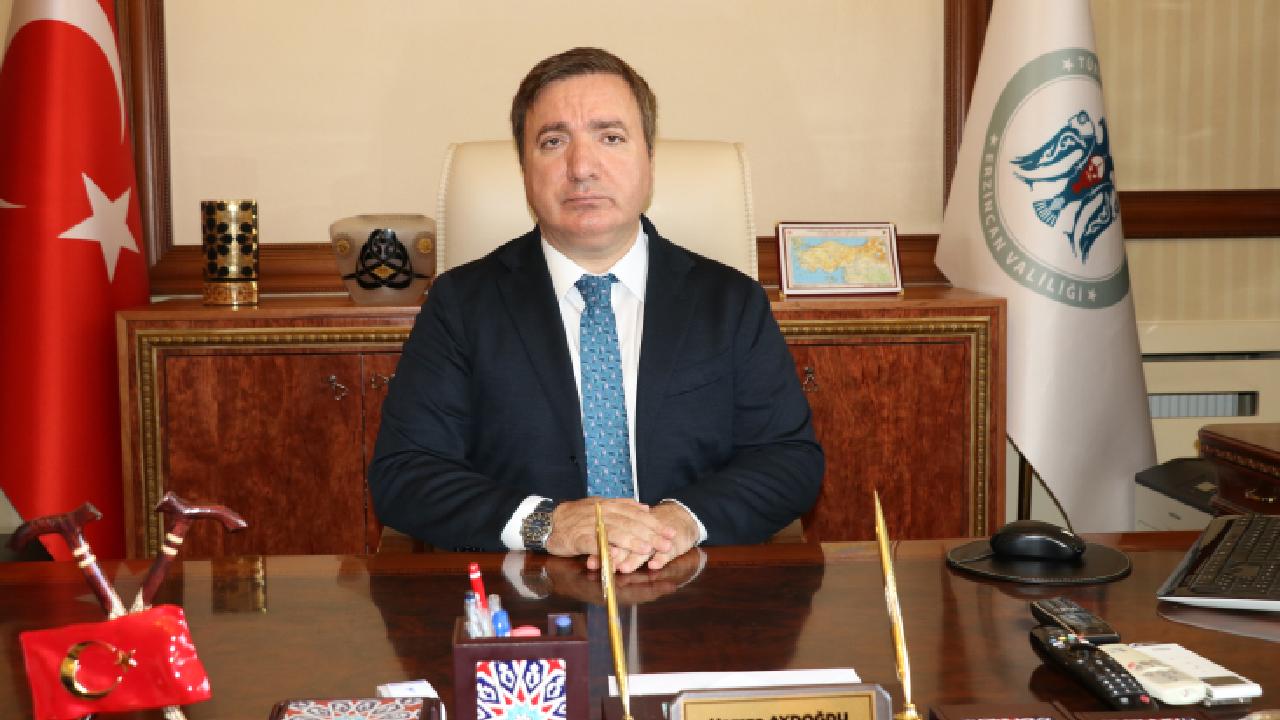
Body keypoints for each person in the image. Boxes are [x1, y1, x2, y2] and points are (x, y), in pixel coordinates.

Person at [368, 47, 822, 573]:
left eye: (610, 137)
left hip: (689, 586)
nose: (582, 168)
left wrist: (681, 522)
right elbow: (406, 473)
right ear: (524, 169)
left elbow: (789, 459)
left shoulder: (730, 302)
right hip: (528, 596)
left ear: (648, 159)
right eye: (553, 141)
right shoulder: (461, 306)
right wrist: (549, 524)